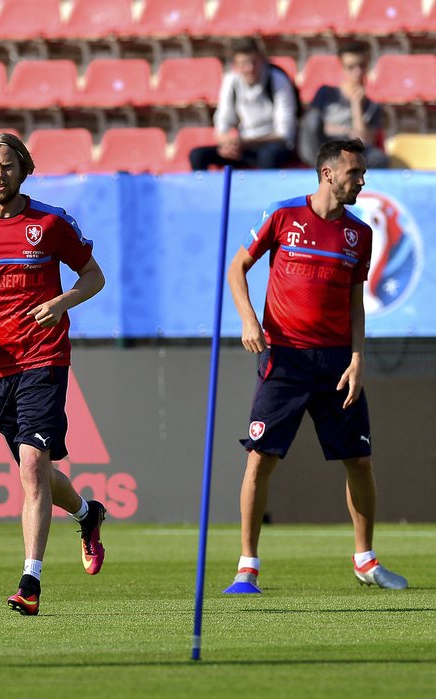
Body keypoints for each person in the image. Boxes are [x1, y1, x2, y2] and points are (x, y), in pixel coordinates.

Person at [225, 137, 407, 594]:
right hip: (283, 359)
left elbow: (354, 303)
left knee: (360, 460)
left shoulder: (359, 234)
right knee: (260, 460)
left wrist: (358, 358)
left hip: (336, 363)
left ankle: (365, 560)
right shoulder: (283, 215)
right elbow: (237, 268)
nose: (362, 181)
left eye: (362, 173)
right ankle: (247, 567)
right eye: (354, 173)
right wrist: (249, 319)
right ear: (328, 174)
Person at [0, 133, 108, 616]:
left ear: (24, 169)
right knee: (35, 470)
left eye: (8, 166)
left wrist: (61, 303)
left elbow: (93, 276)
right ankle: (86, 513)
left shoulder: (51, 223)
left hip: (44, 357)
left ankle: (29, 582)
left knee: (32, 467)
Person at [190, 37, 298, 171]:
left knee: (269, 157)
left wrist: (245, 143)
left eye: (254, 62)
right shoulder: (231, 81)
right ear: (235, 65)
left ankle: (265, 191)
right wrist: (227, 143)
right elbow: (222, 122)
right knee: (197, 155)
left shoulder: (277, 79)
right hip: (243, 146)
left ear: (262, 59)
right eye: (243, 64)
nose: (250, 68)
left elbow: (284, 134)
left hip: (272, 144)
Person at [298, 41, 389, 169]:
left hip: (349, 151)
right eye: (351, 67)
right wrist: (347, 131)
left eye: (361, 66)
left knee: (377, 158)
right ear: (343, 68)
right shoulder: (326, 92)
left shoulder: (373, 106)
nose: (357, 72)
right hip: (323, 148)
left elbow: (363, 141)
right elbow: (311, 126)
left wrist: (356, 105)